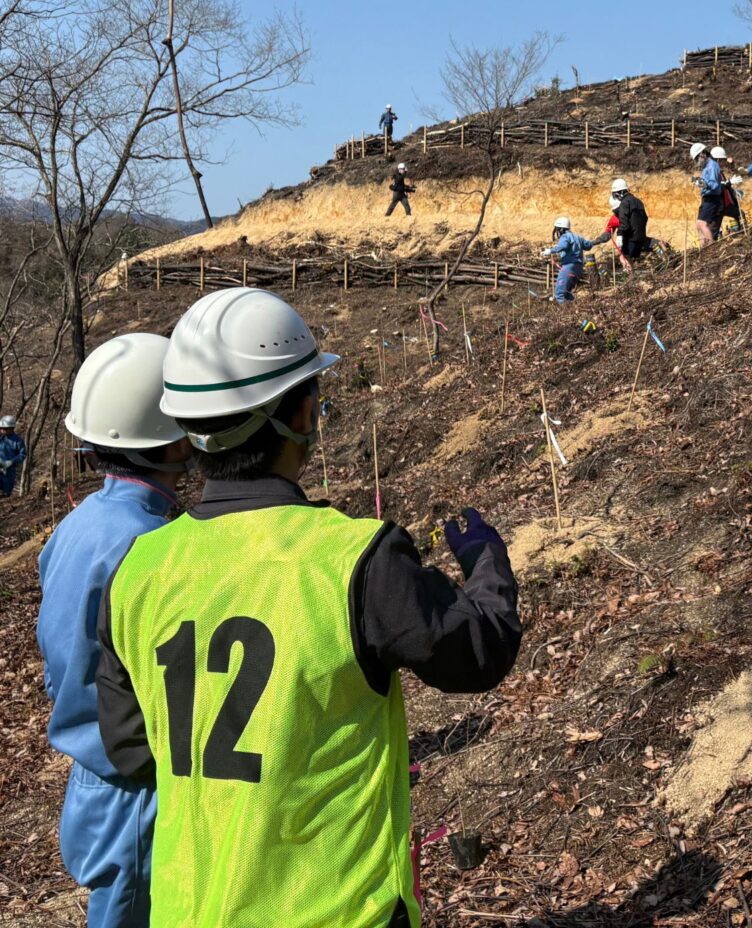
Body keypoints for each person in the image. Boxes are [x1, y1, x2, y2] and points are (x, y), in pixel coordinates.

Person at [96, 288, 522, 927]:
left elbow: (131, 749)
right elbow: (478, 652)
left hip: (189, 910)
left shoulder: (138, 571)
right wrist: (487, 561)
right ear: (301, 412)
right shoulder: (355, 560)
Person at [38, 335, 190, 928]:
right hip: (135, 782)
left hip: (92, 777)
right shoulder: (150, 543)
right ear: (173, 438)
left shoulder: (75, 526)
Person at [543, 216, 601, 302]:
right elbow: (588, 245)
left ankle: (563, 310)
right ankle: (574, 307)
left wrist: (551, 251)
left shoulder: (565, 237)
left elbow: (563, 246)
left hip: (569, 267)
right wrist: (601, 239)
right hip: (578, 269)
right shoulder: (578, 237)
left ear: (561, 229)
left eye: (557, 229)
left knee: (559, 294)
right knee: (567, 294)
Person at [608, 178, 654, 271]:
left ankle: (631, 276)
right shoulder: (638, 201)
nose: (615, 197)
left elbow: (624, 223)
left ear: (621, 192)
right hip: (641, 238)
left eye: (615, 194)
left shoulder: (624, 203)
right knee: (631, 259)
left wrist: (620, 235)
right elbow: (645, 218)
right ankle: (634, 274)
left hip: (631, 239)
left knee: (623, 257)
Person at [692, 142, 723, 246]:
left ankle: (711, 246)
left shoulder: (712, 166)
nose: (697, 161)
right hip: (706, 198)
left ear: (702, 154)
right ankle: (702, 248)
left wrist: (703, 184)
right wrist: (699, 182)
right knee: (698, 225)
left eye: (697, 158)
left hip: (712, 198)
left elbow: (714, 185)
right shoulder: (706, 167)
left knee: (702, 224)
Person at [0, 413, 25, 497]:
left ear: (11, 428)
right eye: (1, 428)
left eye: (4, 428)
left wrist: (11, 462)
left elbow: (22, 454)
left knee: (6, 494)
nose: (2, 430)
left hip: (9, 472)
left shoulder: (18, 441)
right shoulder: (1, 438)